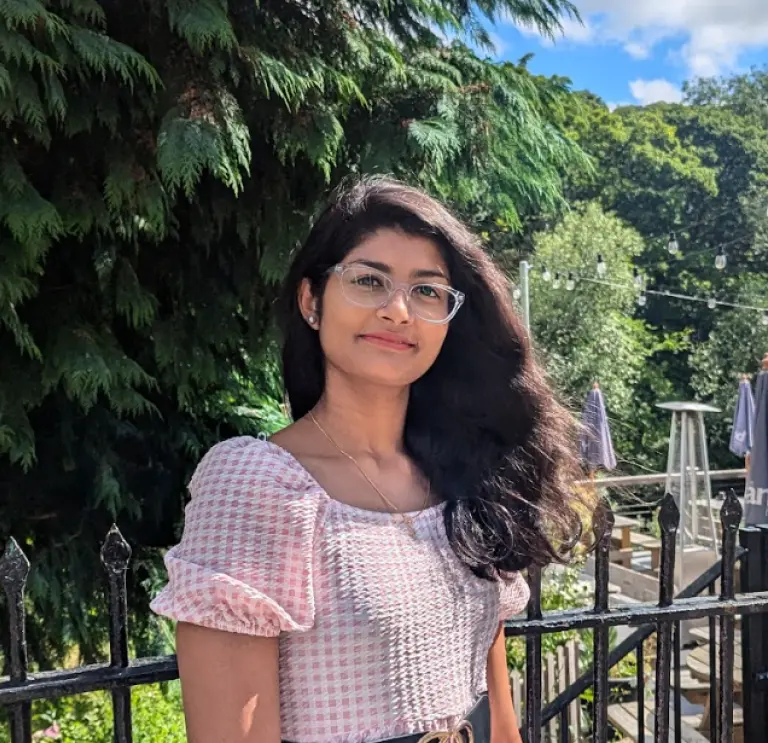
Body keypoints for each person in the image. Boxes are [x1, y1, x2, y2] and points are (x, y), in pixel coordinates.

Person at [151, 176, 590, 743]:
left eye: (428, 291)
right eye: (368, 280)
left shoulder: (465, 476)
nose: (399, 311)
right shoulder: (260, 485)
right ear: (312, 301)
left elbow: (498, 716)